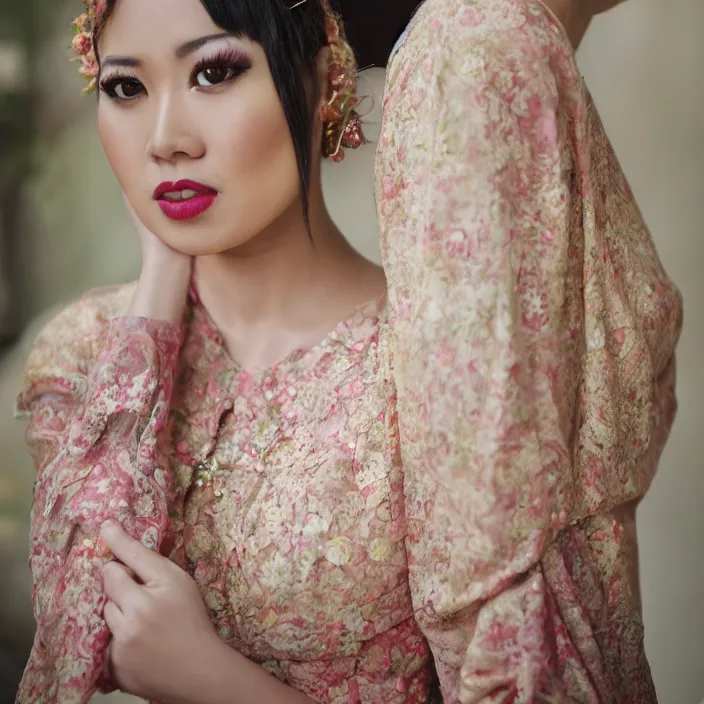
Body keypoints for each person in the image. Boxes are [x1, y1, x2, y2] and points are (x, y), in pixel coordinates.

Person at [15, 1, 681, 704]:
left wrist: (218, 683)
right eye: (126, 88)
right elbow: (76, 627)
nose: (165, 138)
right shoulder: (89, 350)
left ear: (325, 79)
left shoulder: (426, 371)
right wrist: (160, 278)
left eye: (214, 72)